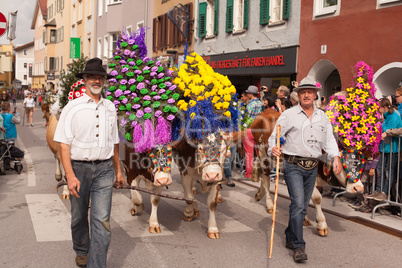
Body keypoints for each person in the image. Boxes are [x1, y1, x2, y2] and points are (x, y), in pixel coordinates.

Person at [54, 58, 125, 268]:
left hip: (104, 170)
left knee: (102, 222)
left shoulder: (111, 107)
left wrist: (118, 171)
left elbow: (114, 142)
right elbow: (64, 145)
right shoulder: (72, 108)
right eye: (92, 77)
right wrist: (70, 175)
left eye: (100, 77)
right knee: (78, 217)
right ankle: (81, 248)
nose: (97, 80)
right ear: (84, 80)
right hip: (79, 169)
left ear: (104, 80)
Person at [268, 77, 342, 263]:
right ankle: (299, 246)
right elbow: (274, 138)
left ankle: (289, 234)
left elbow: (330, 140)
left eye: (310, 91)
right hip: (293, 165)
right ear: (298, 95)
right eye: (303, 92)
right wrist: (274, 148)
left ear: (315, 94)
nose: (307, 94)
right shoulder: (288, 115)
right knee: (299, 204)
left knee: (300, 206)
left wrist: (336, 157)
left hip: (312, 166)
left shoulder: (322, 117)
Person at [366, 98, 402, 202]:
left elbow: (386, 129)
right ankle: (377, 190)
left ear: (384, 107)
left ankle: (384, 192)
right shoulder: (385, 116)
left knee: (389, 171)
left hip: (392, 149)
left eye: (379, 107)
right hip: (384, 148)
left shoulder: (394, 116)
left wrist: (380, 126)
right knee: (380, 170)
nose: (377, 109)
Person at [243, 85, 265, 179]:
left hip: (249, 129)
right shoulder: (261, 104)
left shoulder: (250, 105)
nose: (247, 95)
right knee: (259, 151)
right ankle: (261, 171)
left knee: (249, 153)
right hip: (259, 129)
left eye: (248, 93)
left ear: (251, 94)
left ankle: (249, 173)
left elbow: (246, 118)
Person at [1, 101, 20, 171]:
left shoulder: (1, 116)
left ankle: (6, 165)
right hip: (11, 136)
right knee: (10, 151)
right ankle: (8, 165)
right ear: (9, 108)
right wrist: (16, 114)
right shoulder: (11, 116)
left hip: (3, 136)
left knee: (4, 151)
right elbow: (18, 121)